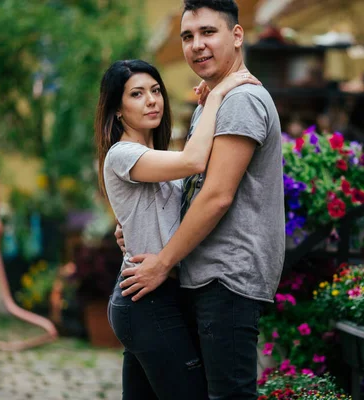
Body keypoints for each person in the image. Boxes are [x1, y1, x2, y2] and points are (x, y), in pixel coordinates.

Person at [117, 1, 285, 398]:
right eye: (188, 36)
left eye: (209, 32)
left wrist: (162, 263)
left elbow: (216, 197)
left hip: (226, 276)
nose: (196, 45)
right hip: (205, 274)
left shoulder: (240, 101)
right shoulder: (215, 101)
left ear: (237, 35)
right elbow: (191, 185)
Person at [95, 59, 260, 400]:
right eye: (137, 94)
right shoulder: (121, 154)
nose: (152, 100)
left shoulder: (154, 156)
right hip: (146, 302)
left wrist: (204, 108)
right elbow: (194, 161)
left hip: (158, 297)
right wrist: (218, 95)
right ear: (119, 111)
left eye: (155, 91)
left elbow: (183, 192)